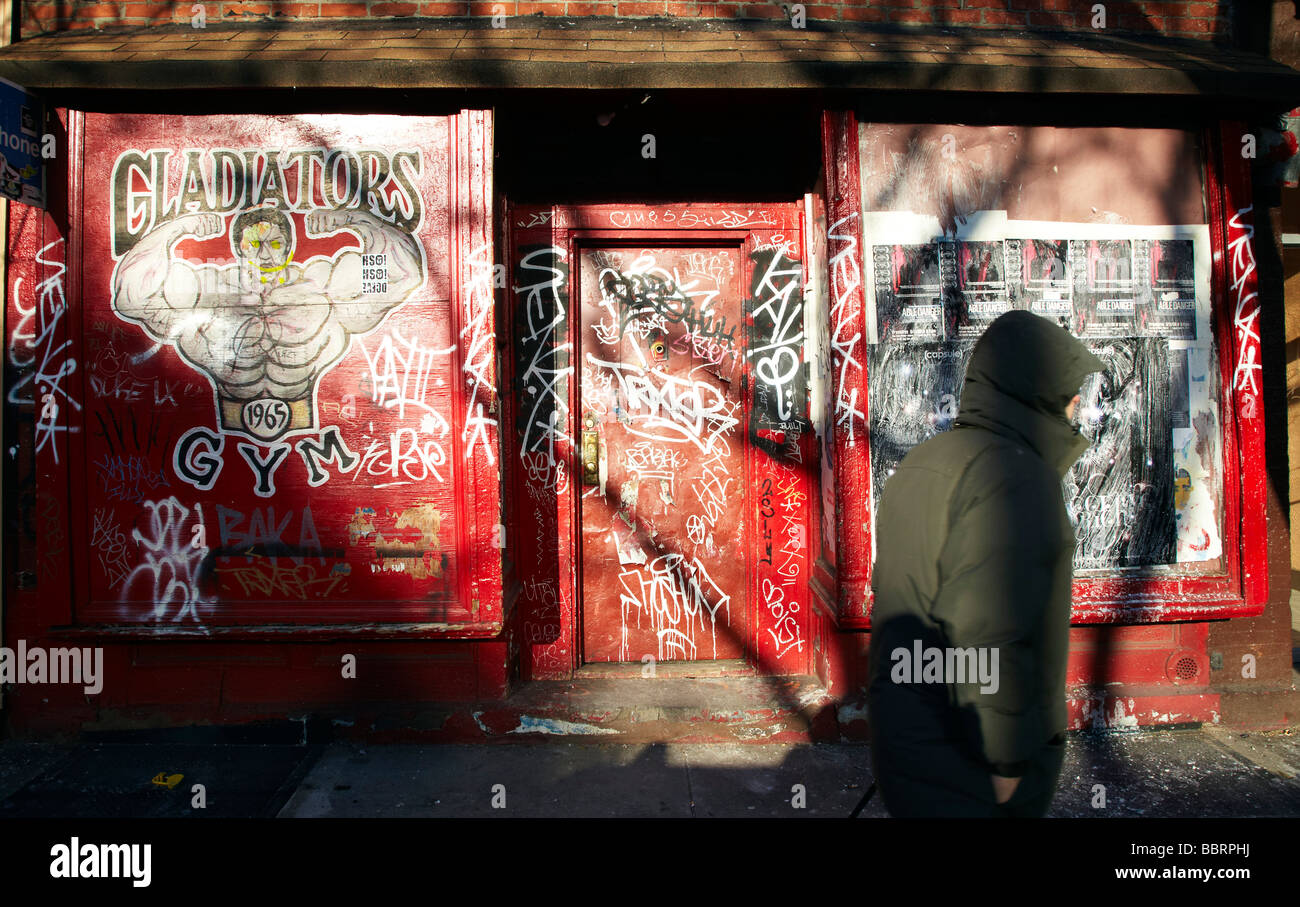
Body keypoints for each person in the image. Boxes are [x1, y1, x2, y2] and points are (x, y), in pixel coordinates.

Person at [866, 309, 1104, 817]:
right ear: (1034, 391)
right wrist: (1005, 761)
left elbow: (895, 596)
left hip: (909, 737)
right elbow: (988, 631)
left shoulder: (925, 462)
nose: (1077, 406)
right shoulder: (1016, 477)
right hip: (968, 766)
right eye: (1067, 393)